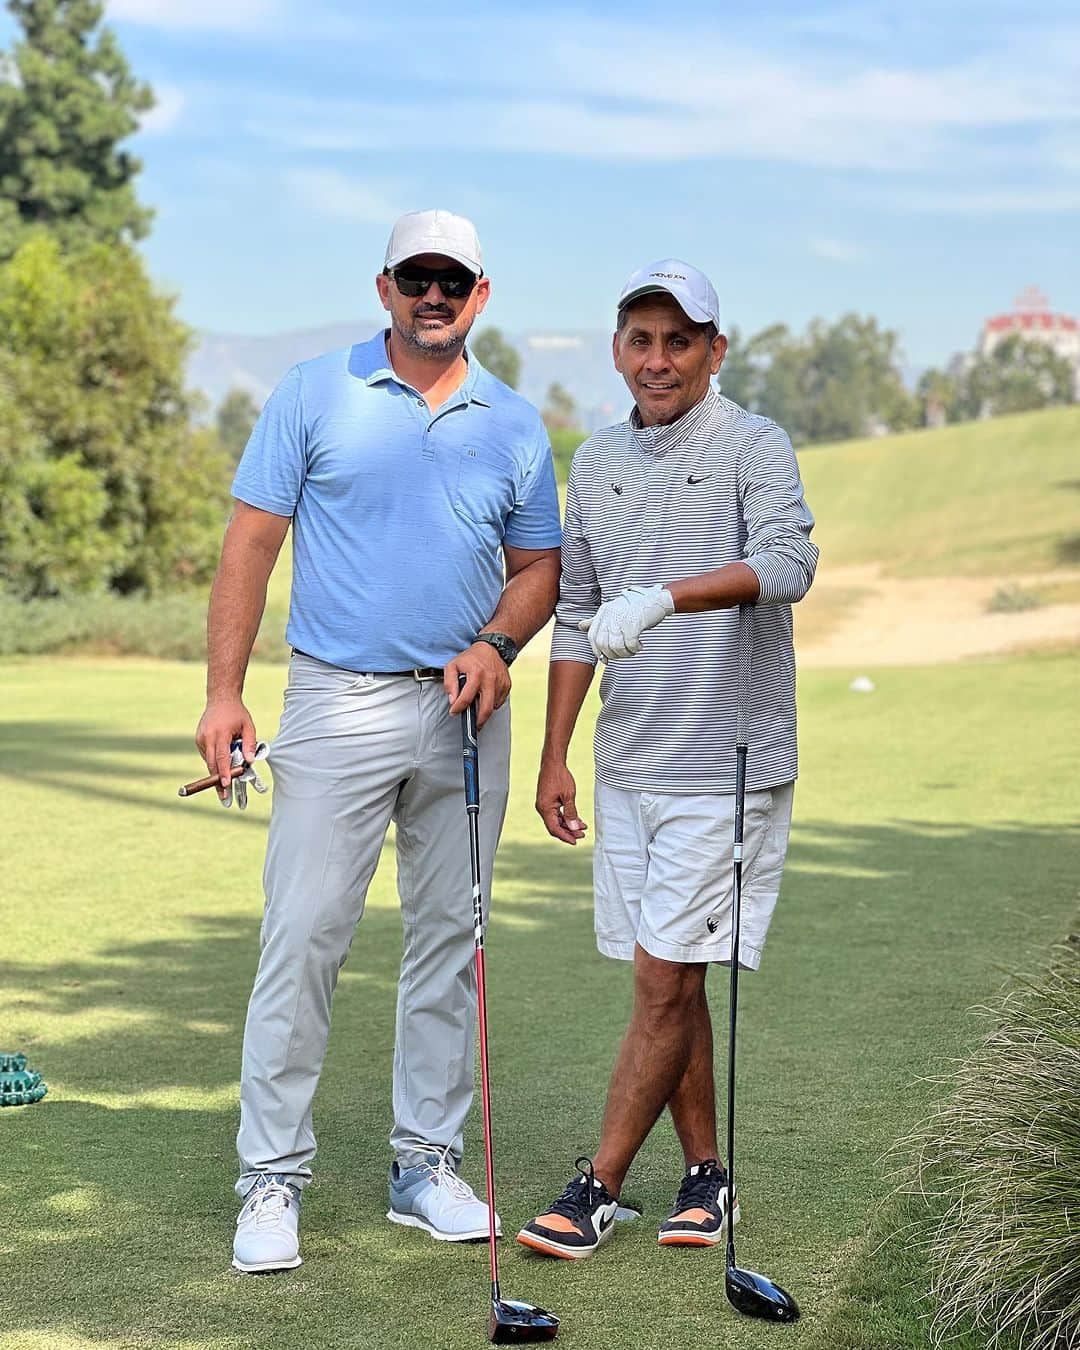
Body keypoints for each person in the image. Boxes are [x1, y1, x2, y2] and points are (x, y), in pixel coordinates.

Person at [194, 209, 562, 1274]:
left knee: (451, 940)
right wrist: (225, 694)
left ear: (481, 295)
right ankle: (270, 1179)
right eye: (417, 277)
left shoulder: (516, 423)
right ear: (386, 286)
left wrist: (500, 641)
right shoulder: (315, 391)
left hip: (466, 709)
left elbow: (537, 567)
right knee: (304, 936)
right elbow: (252, 545)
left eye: (454, 280)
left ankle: (425, 1166)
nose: (434, 294)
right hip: (337, 699)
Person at [517, 259, 818, 1260]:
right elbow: (572, 616)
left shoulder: (752, 446)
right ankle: (707, 1176)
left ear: (713, 351)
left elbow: (789, 565)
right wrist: (555, 754)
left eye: (678, 341)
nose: (657, 360)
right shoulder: (595, 461)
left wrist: (668, 597)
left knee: (659, 982)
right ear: (617, 350)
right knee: (671, 983)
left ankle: (596, 1185)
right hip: (629, 761)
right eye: (640, 341)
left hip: (725, 762)